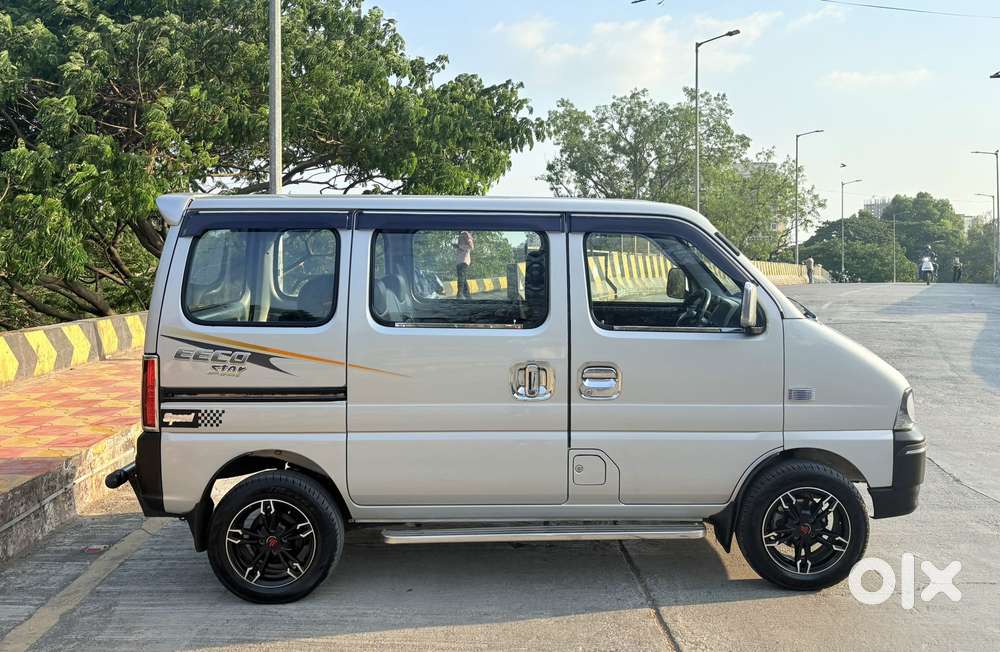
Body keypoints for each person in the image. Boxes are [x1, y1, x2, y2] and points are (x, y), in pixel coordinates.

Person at [454, 230, 474, 298]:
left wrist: (459, 246)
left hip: (463, 261)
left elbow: (471, 247)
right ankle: (468, 297)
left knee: (461, 278)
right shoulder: (461, 235)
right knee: (463, 280)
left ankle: (459, 294)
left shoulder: (465, 234)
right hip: (459, 261)